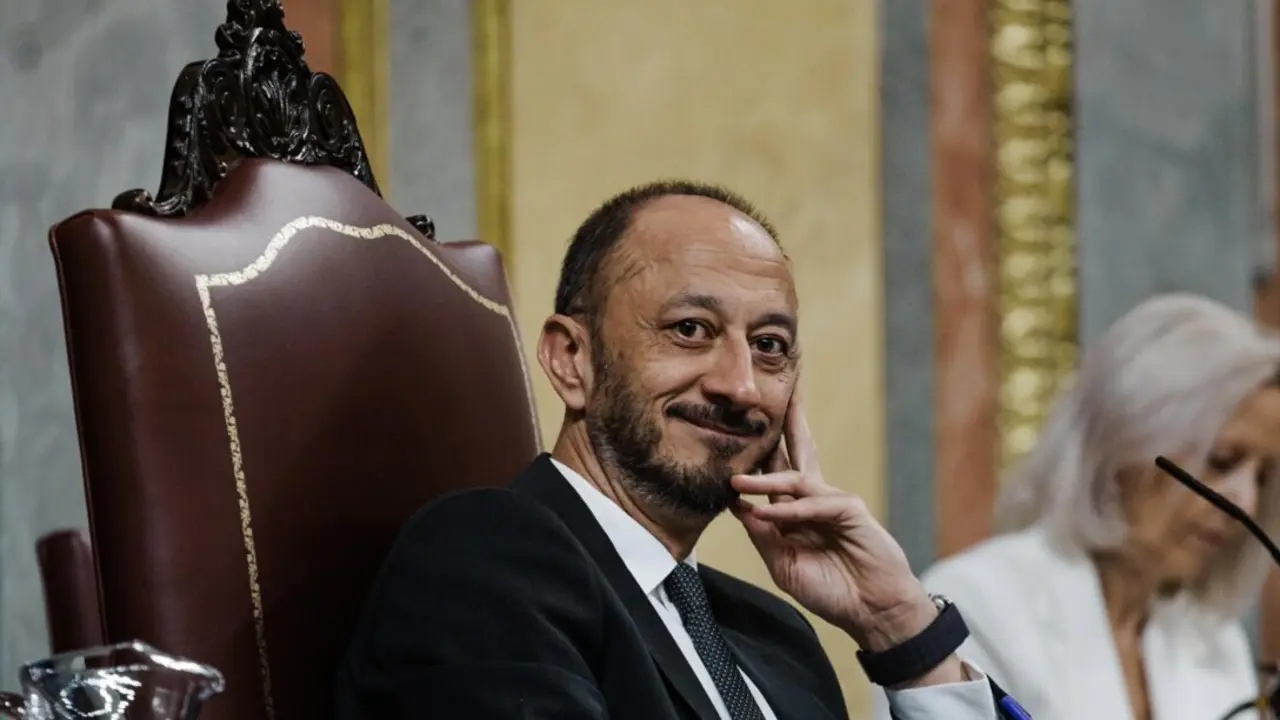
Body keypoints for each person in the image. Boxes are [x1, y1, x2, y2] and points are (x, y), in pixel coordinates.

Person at [334, 181, 1025, 719]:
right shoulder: (487, 560)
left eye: (770, 346)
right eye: (691, 329)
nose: (740, 385)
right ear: (572, 359)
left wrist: (901, 629)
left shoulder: (774, 635)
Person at [878, 295, 1280, 720]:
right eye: (1222, 460)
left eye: (1263, 476)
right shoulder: (977, 603)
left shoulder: (1213, 638)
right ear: (1127, 440)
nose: (1245, 501)